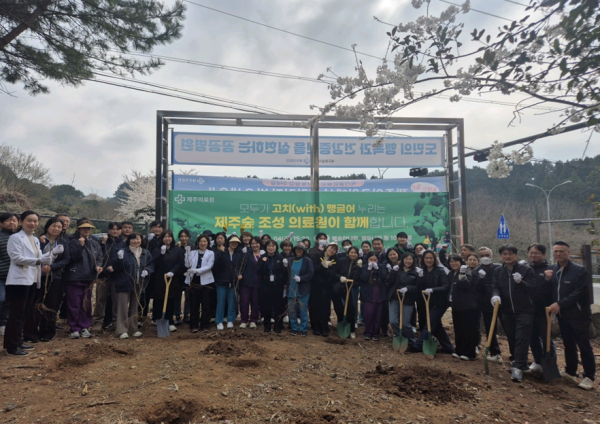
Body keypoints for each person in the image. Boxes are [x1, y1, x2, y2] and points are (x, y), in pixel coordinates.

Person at [3, 211, 57, 356]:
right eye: (29, 220)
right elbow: (16, 258)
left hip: (32, 279)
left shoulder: (35, 239)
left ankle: (19, 341)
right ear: (21, 222)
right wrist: (39, 261)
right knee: (16, 314)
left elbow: (39, 257)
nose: (33, 223)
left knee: (25, 312)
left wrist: (53, 253)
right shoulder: (15, 238)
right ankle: (12, 346)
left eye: (35, 221)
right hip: (18, 281)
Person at [546, 241, 595, 390]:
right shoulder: (553, 270)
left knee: (583, 345)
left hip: (579, 314)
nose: (558, 254)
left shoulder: (579, 271)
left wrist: (559, 303)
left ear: (568, 252)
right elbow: (551, 291)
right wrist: (547, 280)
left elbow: (579, 292)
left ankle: (589, 376)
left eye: (561, 251)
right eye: (555, 251)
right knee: (568, 344)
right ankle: (570, 371)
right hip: (562, 314)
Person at [491, 245, 537, 382]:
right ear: (501, 256)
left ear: (516, 255)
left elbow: (533, 288)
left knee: (522, 338)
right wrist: (495, 295)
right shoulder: (498, 271)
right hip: (506, 311)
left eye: (510, 254)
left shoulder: (526, 269)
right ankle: (521, 363)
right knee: (512, 337)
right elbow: (495, 286)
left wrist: (521, 282)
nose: (507, 256)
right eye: (504, 254)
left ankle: (517, 367)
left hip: (524, 310)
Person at [24, 217, 70, 342]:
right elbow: (32, 256)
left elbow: (66, 259)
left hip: (55, 278)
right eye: (54, 226)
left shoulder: (63, 242)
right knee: (35, 304)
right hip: (38, 277)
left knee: (52, 305)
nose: (56, 229)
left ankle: (47, 332)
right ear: (47, 227)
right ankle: (31, 333)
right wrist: (41, 267)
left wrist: (52, 267)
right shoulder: (39, 240)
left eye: (59, 227)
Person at [62, 219, 103, 339]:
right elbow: (73, 257)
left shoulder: (94, 243)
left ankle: (84, 326)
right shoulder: (72, 241)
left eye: (89, 228)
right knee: (74, 304)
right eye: (84, 228)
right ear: (78, 228)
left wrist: (98, 266)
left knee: (86, 304)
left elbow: (99, 256)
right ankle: (74, 328)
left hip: (89, 278)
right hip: (74, 277)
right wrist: (80, 246)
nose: (86, 230)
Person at [112, 233, 154, 339]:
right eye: (133, 239)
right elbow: (116, 268)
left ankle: (133, 328)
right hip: (124, 282)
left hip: (138, 283)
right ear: (129, 240)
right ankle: (122, 330)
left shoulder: (145, 252)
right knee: (122, 307)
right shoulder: (123, 251)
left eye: (138, 239)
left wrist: (147, 271)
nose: (135, 241)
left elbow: (151, 265)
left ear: (141, 240)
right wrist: (119, 259)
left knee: (135, 307)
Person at [414, 250, 453, 353]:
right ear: (423, 259)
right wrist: (420, 278)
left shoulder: (440, 271)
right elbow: (419, 288)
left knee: (430, 323)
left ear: (434, 259)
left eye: (431, 258)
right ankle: (448, 347)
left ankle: (418, 345)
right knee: (437, 324)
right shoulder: (423, 271)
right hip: (429, 302)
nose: (429, 260)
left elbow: (446, 286)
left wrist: (433, 290)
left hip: (440, 302)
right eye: (426, 258)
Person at [526, 243, 554, 373]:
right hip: (529, 309)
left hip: (545, 310)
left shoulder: (550, 269)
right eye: (531, 253)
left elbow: (551, 290)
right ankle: (537, 361)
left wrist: (548, 280)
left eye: (536, 253)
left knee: (547, 338)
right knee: (532, 337)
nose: (533, 255)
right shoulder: (526, 269)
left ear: (543, 254)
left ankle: (550, 365)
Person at [474, 247, 502, 364]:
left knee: (510, 329)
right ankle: (495, 353)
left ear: (492, 256)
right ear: (479, 258)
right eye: (482, 256)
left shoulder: (499, 268)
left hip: (502, 303)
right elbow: (476, 289)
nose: (485, 258)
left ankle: (516, 356)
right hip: (486, 304)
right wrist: (480, 279)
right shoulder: (476, 271)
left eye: (487, 255)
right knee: (490, 329)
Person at [151, 230, 184, 332]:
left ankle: (170, 320)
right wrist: (161, 254)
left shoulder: (177, 250)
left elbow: (180, 263)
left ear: (172, 238)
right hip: (160, 279)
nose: (167, 239)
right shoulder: (157, 250)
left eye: (169, 237)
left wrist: (173, 271)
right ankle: (158, 319)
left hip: (173, 278)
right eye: (165, 237)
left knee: (171, 299)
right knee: (159, 299)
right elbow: (154, 263)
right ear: (162, 239)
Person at [448, 254, 478, 361]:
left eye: (456, 261)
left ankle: (470, 353)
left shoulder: (466, 272)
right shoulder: (451, 274)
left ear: (461, 262)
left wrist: (462, 277)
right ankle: (459, 350)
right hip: (456, 305)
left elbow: (466, 285)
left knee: (468, 329)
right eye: (451, 261)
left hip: (468, 306)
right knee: (458, 328)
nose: (453, 263)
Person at [92, 222, 122, 330]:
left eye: (117, 229)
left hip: (116, 276)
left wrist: (116, 268)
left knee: (116, 301)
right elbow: (98, 256)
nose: (115, 231)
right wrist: (103, 243)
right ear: (109, 230)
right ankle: (97, 321)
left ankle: (116, 322)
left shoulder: (122, 243)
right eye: (113, 229)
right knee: (100, 300)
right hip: (103, 276)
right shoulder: (102, 241)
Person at [387, 251, 420, 348]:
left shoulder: (416, 272)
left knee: (405, 323)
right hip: (395, 298)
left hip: (408, 300)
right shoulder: (398, 270)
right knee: (393, 321)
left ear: (413, 261)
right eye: (406, 259)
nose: (408, 261)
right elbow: (388, 281)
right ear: (402, 260)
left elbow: (418, 287)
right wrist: (393, 272)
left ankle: (411, 341)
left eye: (410, 259)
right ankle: (399, 335)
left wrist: (408, 288)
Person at [184, 234, 215, 333]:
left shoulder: (211, 253)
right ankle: (194, 325)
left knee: (206, 304)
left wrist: (197, 270)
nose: (203, 243)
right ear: (197, 242)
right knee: (194, 304)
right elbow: (187, 265)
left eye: (205, 241)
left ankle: (205, 325)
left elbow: (209, 266)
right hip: (194, 280)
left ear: (208, 243)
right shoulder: (192, 252)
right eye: (201, 241)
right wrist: (186, 254)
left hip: (206, 282)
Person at [213, 235, 244, 330]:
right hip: (221, 281)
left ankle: (230, 320)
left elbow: (239, 267)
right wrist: (221, 253)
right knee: (220, 302)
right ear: (228, 242)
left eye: (236, 242)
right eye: (232, 242)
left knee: (232, 302)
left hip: (233, 282)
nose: (234, 244)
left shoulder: (238, 254)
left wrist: (239, 274)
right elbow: (216, 264)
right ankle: (219, 321)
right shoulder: (222, 251)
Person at [284, 242, 314, 336]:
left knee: (303, 310)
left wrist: (301, 278)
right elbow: (286, 274)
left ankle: (304, 329)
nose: (299, 251)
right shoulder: (290, 260)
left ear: (304, 251)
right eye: (297, 249)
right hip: (291, 288)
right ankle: (294, 328)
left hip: (303, 289)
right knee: (292, 310)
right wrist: (284, 266)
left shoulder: (307, 260)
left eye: (301, 249)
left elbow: (311, 273)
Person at [310, 241, 339, 337]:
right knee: (314, 306)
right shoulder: (317, 255)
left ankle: (324, 327)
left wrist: (326, 268)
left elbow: (333, 273)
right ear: (327, 247)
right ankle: (315, 327)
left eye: (334, 249)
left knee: (325, 306)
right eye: (331, 248)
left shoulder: (334, 260)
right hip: (315, 285)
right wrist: (322, 265)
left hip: (326, 287)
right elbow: (313, 269)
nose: (332, 250)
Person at [333, 246, 362, 338]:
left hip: (350, 288)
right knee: (339, 308)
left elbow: (357, 278)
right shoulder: (341, 261)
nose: (353, 254)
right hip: (339, 287)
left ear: (358, 254)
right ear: (348, 253)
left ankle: (352, 329)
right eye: (351, 252)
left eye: (355, 253)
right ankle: (341, 324)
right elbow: (334, 273)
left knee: (351, 308)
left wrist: (359, 268)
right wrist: (340, 277)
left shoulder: (358, 263)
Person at [257, 240, 286, 333]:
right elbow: (258, 272)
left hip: (278, 286)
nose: (271, 248)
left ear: (276, 247)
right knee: (266, 307)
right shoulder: (262, 257)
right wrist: (263, 263)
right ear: (266, 248)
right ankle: (267, 326)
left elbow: (284, 273)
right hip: (265, 286)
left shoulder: (280, 257)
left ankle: (278, 326)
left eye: (273, 246)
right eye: (269, 246)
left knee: (278, 307)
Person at [359, 252, 387, 340]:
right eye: (370, 259)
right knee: (369, 314)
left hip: (379, 294)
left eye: (375, 260)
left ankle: (376, 333)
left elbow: (385, 277)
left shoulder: (382, 266)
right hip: (368, 294)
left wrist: (377, 269)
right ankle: (368, 332)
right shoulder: (364, 267)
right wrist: (368, 269)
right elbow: (363, 278)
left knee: (378, 315)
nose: (373, 261)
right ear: (367, 260)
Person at [0, 212, 19, 337]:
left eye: (14, 220)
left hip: (15, 276)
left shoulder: (19, 237)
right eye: (8, 220)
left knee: (8, 301)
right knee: (1, 298)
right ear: (1, 223)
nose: (12, 222)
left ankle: (3, 324)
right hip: (1, 275)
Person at [239, 237, 262, 329]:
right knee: (244, 302)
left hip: (258, 283)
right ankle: (244, 320)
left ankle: (253, 320)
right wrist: (239, 274)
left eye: (256, 243)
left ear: (260, 244)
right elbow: (240, 266)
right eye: (253, 243)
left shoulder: (263, 255)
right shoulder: (246, 254)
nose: (254, 245)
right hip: (246, 282)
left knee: (255, 302)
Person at [174, 229, 192, 325]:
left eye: (185, 236)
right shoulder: (177, 248)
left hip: (189, 275)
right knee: (177, 295)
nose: (183, 238)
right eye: (182, 236)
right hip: (178, 275)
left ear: (189, 237)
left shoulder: (193, 248)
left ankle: (187, 314)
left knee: (188, 295)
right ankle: (177, 314)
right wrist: (178, 248)